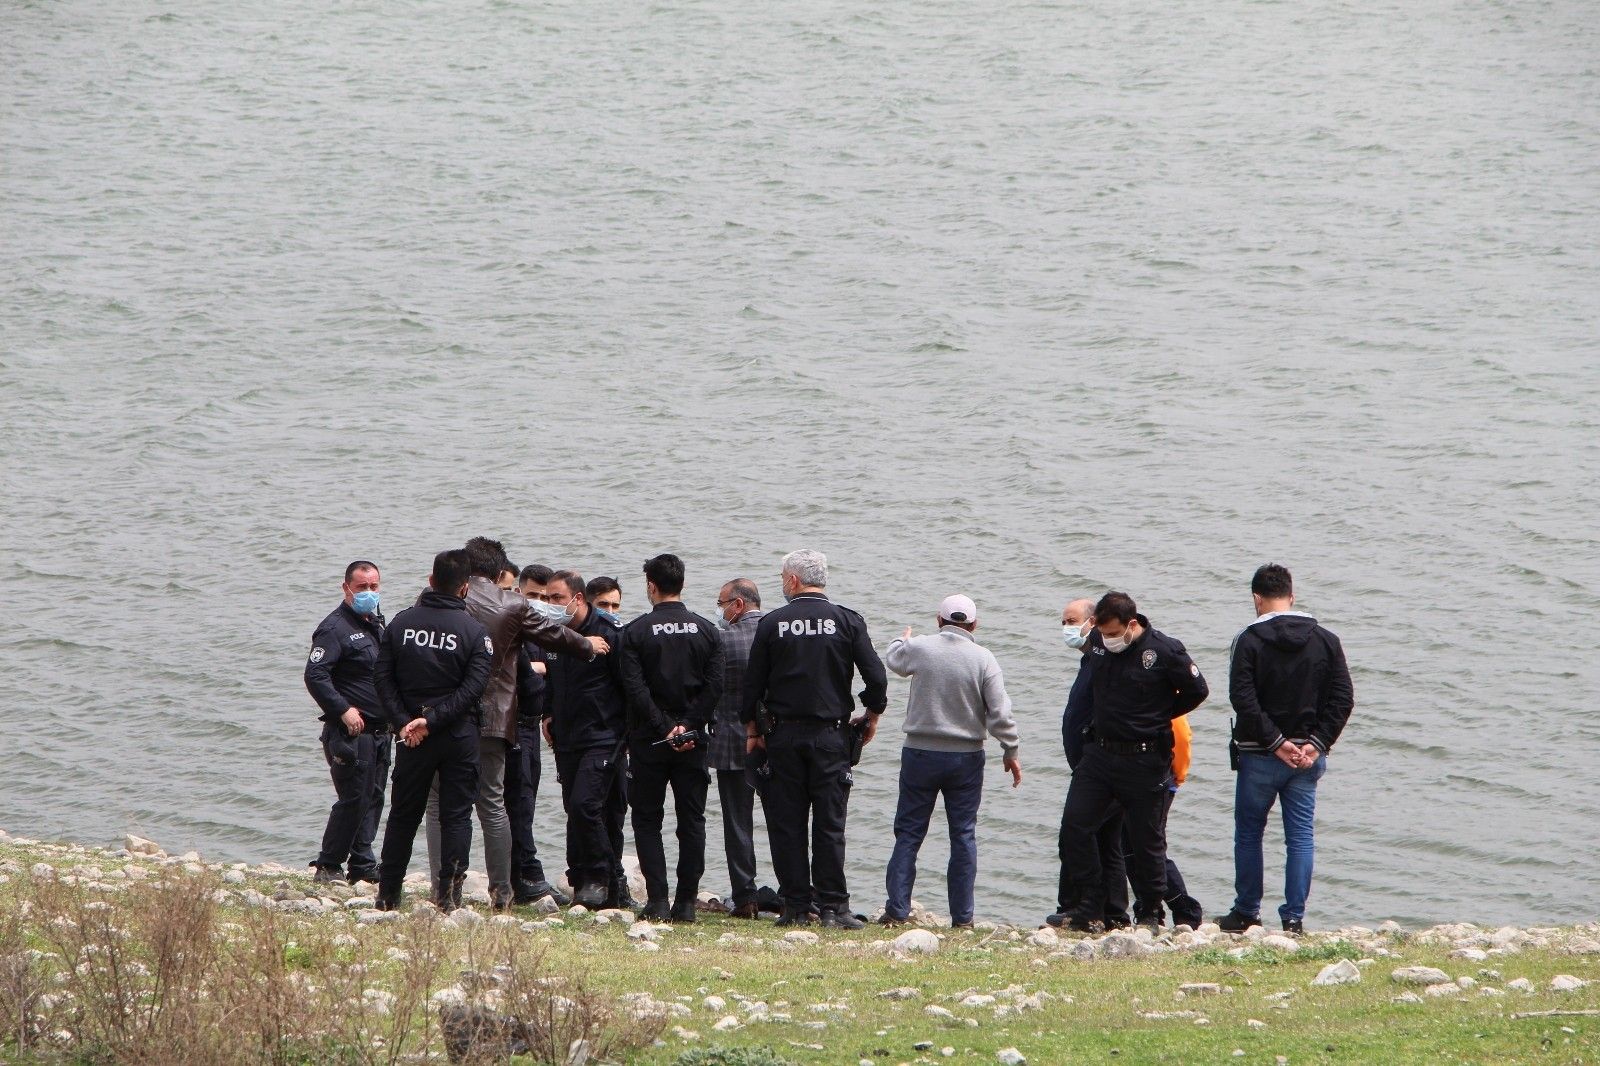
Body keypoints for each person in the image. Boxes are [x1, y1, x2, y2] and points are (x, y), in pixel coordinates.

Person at [451, 537, 604, 910]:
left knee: (457, 805)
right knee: (497, 803)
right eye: (533, 595)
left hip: (462, 717)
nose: (539, 602)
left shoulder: (446, 602)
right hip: (501, 719)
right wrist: (587, 645)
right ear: (502, 579)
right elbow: (552, 638)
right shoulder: (510, 609)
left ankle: (451, 886)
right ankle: (508, 887)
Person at [742, 549, 887, 929]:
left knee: (786, 824)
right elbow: (876, 678)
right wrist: (871, 715)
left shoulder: (772, 623)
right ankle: (833, 908)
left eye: (782, 578)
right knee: (830, 824)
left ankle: (795, 907)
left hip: (783, 736)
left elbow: (752, 686)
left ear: (792, 580)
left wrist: (753, 731)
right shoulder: (847, 620)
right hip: (831, 736)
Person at [1057, 591, 1209, 932]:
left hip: (1144, 757)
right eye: (1103, 633)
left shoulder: (1164, 651)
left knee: (1145, 841)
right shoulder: (1097, 642)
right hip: (1100, 755)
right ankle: (1089, 904)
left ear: (1132, 624)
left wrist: (1160, 713)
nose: (1109, 639)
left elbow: (1198, 690)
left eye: (1114, 633)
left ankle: (1151, 912)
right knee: (1075, 828)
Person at [1219, 564, 1354, 936]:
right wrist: (1317, 743)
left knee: (1250, 834)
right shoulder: (1326, 639)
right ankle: (1293, 919)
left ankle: (1247, 912)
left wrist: (1276, 743)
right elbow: (1343, 699)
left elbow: (1243, 699)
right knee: (1300, 837)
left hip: (1260, 754)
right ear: (1292, 596)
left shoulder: (1248, 639)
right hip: (1307, 757)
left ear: (1256, 599)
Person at [880, 595, 1021, 929]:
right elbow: (999, 713)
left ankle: (897, 911)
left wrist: (903, 638)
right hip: (966, 758)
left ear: (939, 620)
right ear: (974, 625)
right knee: (963, 835)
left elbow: (894, 659)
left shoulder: (921, 647)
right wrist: (1011, 750)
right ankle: (963, 919)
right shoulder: (984, 658)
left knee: (909, 833)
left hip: (920, 754)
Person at [373, 549, 493, 911]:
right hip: (457, 734)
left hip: (412, 735)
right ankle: (448, 898)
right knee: (456, 816)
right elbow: (474, 689)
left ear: (431, 580)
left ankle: (388, 894)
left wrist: (404, 722)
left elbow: (382, 678)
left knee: (403, 814)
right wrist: (435, 719)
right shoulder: (474, 632)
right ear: (465, 587)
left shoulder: (400, 624)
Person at [618, 554, 724, 922]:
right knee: (691, 820)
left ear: (651, 586)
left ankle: (658, 900)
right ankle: (687, 903)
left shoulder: (635, 632)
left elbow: (635, 688)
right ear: (682, 584)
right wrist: (688, 724)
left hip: (648, 740)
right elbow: (715, 686)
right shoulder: (707, 630)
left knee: (647, 819)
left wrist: (664, 727)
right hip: (693, 740)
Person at [545, 569, 632, 909]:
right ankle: (589, 881)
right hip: (567, 737)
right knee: (578, 809)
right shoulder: (554, 633)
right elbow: (551, 680)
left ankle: (601, 878)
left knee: (587, 806)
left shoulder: (610, 633)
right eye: (548, 598)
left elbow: (630, 687)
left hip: (604, 736)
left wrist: (627, 736)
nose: (551, 604)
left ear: (578, 598)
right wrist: (547, 713)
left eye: (557, 598)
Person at [303, 560, 391, 885]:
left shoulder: (376, 625)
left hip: (380, 731)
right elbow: (316, 675)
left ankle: (363, 864)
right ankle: (328, 865)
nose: (369, 592)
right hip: (350, 732)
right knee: (354, 798)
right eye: (361, 587)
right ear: (346, 588)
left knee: (374, 796)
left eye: (374, 587)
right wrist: (342, 709)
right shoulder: (334, 628)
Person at [1049, 598, 1130, 928]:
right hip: (1090, 766)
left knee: (1076, 834)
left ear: (1093, 622)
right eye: (1063, 623)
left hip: (1101, 766)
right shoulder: (1091, 661)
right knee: (1107, 840)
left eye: (1071, 621)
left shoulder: (1105, 660)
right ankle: (1114, 912)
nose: (1066, 629)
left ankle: (1081, 905)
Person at [507, 562, 567, 904]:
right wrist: (540, 668)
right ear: (520, 593)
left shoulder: (548, 628)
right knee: (518, 800)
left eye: (547, 597)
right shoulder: (514, 624)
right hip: (512, 723)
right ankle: (525, 874)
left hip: (534, 721)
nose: (541, 603)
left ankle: (524, 871)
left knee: (526, 800)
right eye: (534, 595)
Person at [707, 577, 767, 918]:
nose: (720, 610)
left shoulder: (723, 639)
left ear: (738, 604)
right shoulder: (778, 632)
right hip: (777, 739)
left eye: (722, 604)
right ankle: (797, 893)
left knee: (737, 822)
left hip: (732, 740)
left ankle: (745, 897)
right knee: (787, 819)